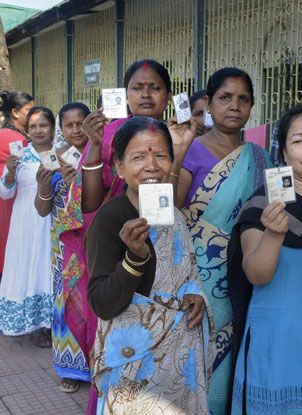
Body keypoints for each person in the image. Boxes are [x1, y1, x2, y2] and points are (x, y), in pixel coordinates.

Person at [85, 116, 212, 414]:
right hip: (133, 366)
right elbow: (102, 304)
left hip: (179, 365)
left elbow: (186, 271)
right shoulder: (110, 219)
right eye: (139, 157)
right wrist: (134, 258)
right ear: (119, 166)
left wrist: (195, 295)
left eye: (161, 156)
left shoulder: (174, 216)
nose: (152, 166)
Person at [70, 59, 174, 413]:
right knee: (119, 347)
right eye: (137, 88)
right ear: (125, 93)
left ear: (168, 95)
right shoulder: (112, 132)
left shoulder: (180, 133)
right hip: (118, 244)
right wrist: (96, 144)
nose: (146, 94)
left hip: (169, 254)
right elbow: (89, 201)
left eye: (155, 87)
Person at [229, 103, 302, 414]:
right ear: (283, 154)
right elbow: (256, 273)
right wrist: (274, 234)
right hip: (276, 339)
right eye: (297, 141)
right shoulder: (264, 203)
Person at [170, 67, 271, 414]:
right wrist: (178, 153)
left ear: (252, 106)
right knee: (195, 366)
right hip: (198, 279)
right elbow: (168, 213)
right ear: (209, 104)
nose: (234, 106)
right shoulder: (191, 152)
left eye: (243, 99)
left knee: (230, 368)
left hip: (244, 277)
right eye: (225, 98)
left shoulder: (260, 158)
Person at [34, 102, 91, 393]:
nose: (75, 130)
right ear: (61, 129)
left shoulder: (98, 157)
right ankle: (70, 369)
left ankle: (97, 365)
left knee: (93, 304)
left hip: (94, 243)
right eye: (69, 125)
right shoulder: (52, 161)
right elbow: (42, 210)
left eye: (81, 123)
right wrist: (45, 188)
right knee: (67, 303)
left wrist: (77, 184)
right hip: (63, 247)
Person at [0, 106, 55, 346]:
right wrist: (10, 173)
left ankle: (50, 325)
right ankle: (29, 323)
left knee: (48, 269)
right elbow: (4, 192)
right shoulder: (19, 156)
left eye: (43, 125)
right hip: (25, 223)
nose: (38, 130)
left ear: (52, 127)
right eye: (33, 126)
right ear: (27, 130)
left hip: (53, 222)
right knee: (27, 267)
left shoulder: (62, 153)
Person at [0, 91, 34, 278]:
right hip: (9, 203)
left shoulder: (12, 135)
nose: (34, 114)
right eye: (30, 110)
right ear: (15, 112)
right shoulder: (13, 138)